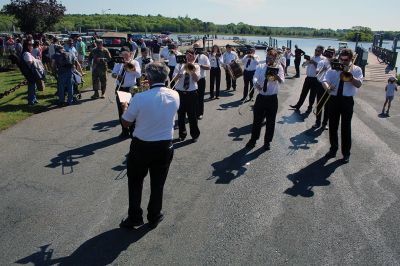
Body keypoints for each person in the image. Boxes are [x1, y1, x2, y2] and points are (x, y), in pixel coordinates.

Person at [119, 62, 179, 229]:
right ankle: (154, 215)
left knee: (135, 182)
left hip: (142, 146)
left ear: (149, 78)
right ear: (166, 77)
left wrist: (125, 106)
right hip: (165, 145)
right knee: (158, 183)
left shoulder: (139, 98)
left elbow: (125, 123)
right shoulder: (175, 95)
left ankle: (135, 217)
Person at [322, 48, 363, 163]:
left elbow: (359, 84)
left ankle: (346, 153)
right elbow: (324, 80)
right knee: (333, 126)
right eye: (341, 58)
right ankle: (333, 149)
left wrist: (348, 74)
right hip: (334, 99)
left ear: (350, 59)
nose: (343, 61)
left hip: (347, 101)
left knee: (346, 127)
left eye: (345, 59)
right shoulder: (333, 68)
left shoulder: (356, 69)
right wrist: (328, 88)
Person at [245, 48, 285, 150]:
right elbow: (255, 77)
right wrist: (256, 84)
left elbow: (282, 83)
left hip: (272, 99)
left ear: (275, 58)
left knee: (270, 121)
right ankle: (253, 139)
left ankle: (267, 142)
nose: (268, 59)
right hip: (261, 98)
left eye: (270, 57)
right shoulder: (261, 66)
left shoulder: (279, 67)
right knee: (257, 120)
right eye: (267, 57)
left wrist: (277, 77)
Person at [172, 48, 201, 142]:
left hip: (191, 94)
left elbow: (196, 79)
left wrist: (191, 69)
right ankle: (182, 134)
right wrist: (180, 73)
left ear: (193, 56)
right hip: (180, 93)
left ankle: (195, 135)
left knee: (192, 116)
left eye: (190, 55)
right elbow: (174, 79)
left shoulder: (196, 66)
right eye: (187, 55)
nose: (188, 57)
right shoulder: (179, 65)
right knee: (180, 116)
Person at [112, 48, 141, 138]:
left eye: (125, 54)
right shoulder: (118, 63)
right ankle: (124, 131)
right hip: (121, 88)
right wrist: (117, 76)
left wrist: (130, 67)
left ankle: (133, 130)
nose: (124, 56)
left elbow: (138, 75)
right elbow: (113, 74)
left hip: (132, 88)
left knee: (132, 109)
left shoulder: (135, 62)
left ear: (130, 54)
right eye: (122, 54)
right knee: (121, 110)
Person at [290, 45, 325, 112]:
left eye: (318, 51)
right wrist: (305, 62)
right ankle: (298, 105)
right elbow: (303, 66)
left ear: (321, 52)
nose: (316, 52)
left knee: (312, 94)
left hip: (315, 79)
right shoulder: (311, 57)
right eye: (315, 50)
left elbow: (321, 69)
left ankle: (310, 107)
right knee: (303, 92)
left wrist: (314, 62)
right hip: (308, 78)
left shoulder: (323, 59)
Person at [314, 47, 336, 129]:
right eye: (329, 52)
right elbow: (317, 73)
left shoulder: (335, 63)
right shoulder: (321, 62)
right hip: (320, 85)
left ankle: (324, 123)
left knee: (328, 106)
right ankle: (317, 122)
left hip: (330, 86)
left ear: (334, 54)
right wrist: (323, 69)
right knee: (319, 104)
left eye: (332, 53)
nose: (330, 54)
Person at [193, 43, 210, 119]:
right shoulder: (190, 56)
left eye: (197, 47)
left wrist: (200, 66)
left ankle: (200, 113)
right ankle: (193, 112)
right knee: (192, 97)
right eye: (194, 47)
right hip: (192, 80)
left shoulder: (204, 57)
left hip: (201, 79)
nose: (196, 49)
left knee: (200, 97)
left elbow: (209, 67)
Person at [21, 40, 39, 105]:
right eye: (31, 45)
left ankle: (34, 99)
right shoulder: (26, 54)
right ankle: (31, 101)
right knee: (31, 87)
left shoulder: (27, 53)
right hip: (30, 73)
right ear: (27, 46)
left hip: (32, 72)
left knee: (34, 87)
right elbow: (30, 63)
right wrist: (36, 61)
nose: (32, 47)